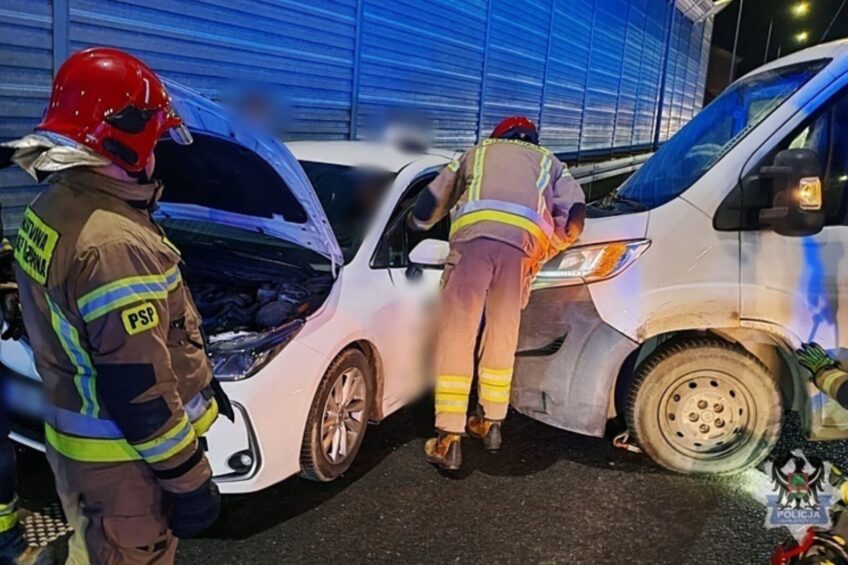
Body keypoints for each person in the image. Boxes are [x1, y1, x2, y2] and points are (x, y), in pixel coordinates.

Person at [6, 47, 230, 564]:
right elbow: (140, 391)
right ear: (126, 137)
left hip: (83, 446)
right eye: (155, 136)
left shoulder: (56, 203)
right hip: (127, 467)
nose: (159, 151)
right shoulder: (114, 243)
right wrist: (189, 480)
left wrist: (199, 377)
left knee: (92, 550)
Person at [408, 116, 586, 470]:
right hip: (519, 254)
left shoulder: (477, 152)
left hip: (473, 246)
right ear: (532, 140)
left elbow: (430, 204)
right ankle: (490, 423)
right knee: (502, 334)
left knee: (458, 334)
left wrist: (416, 225)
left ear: (497, 136)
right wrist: (546, 246)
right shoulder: (551, 163)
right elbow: (576, 218)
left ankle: (449, 438)